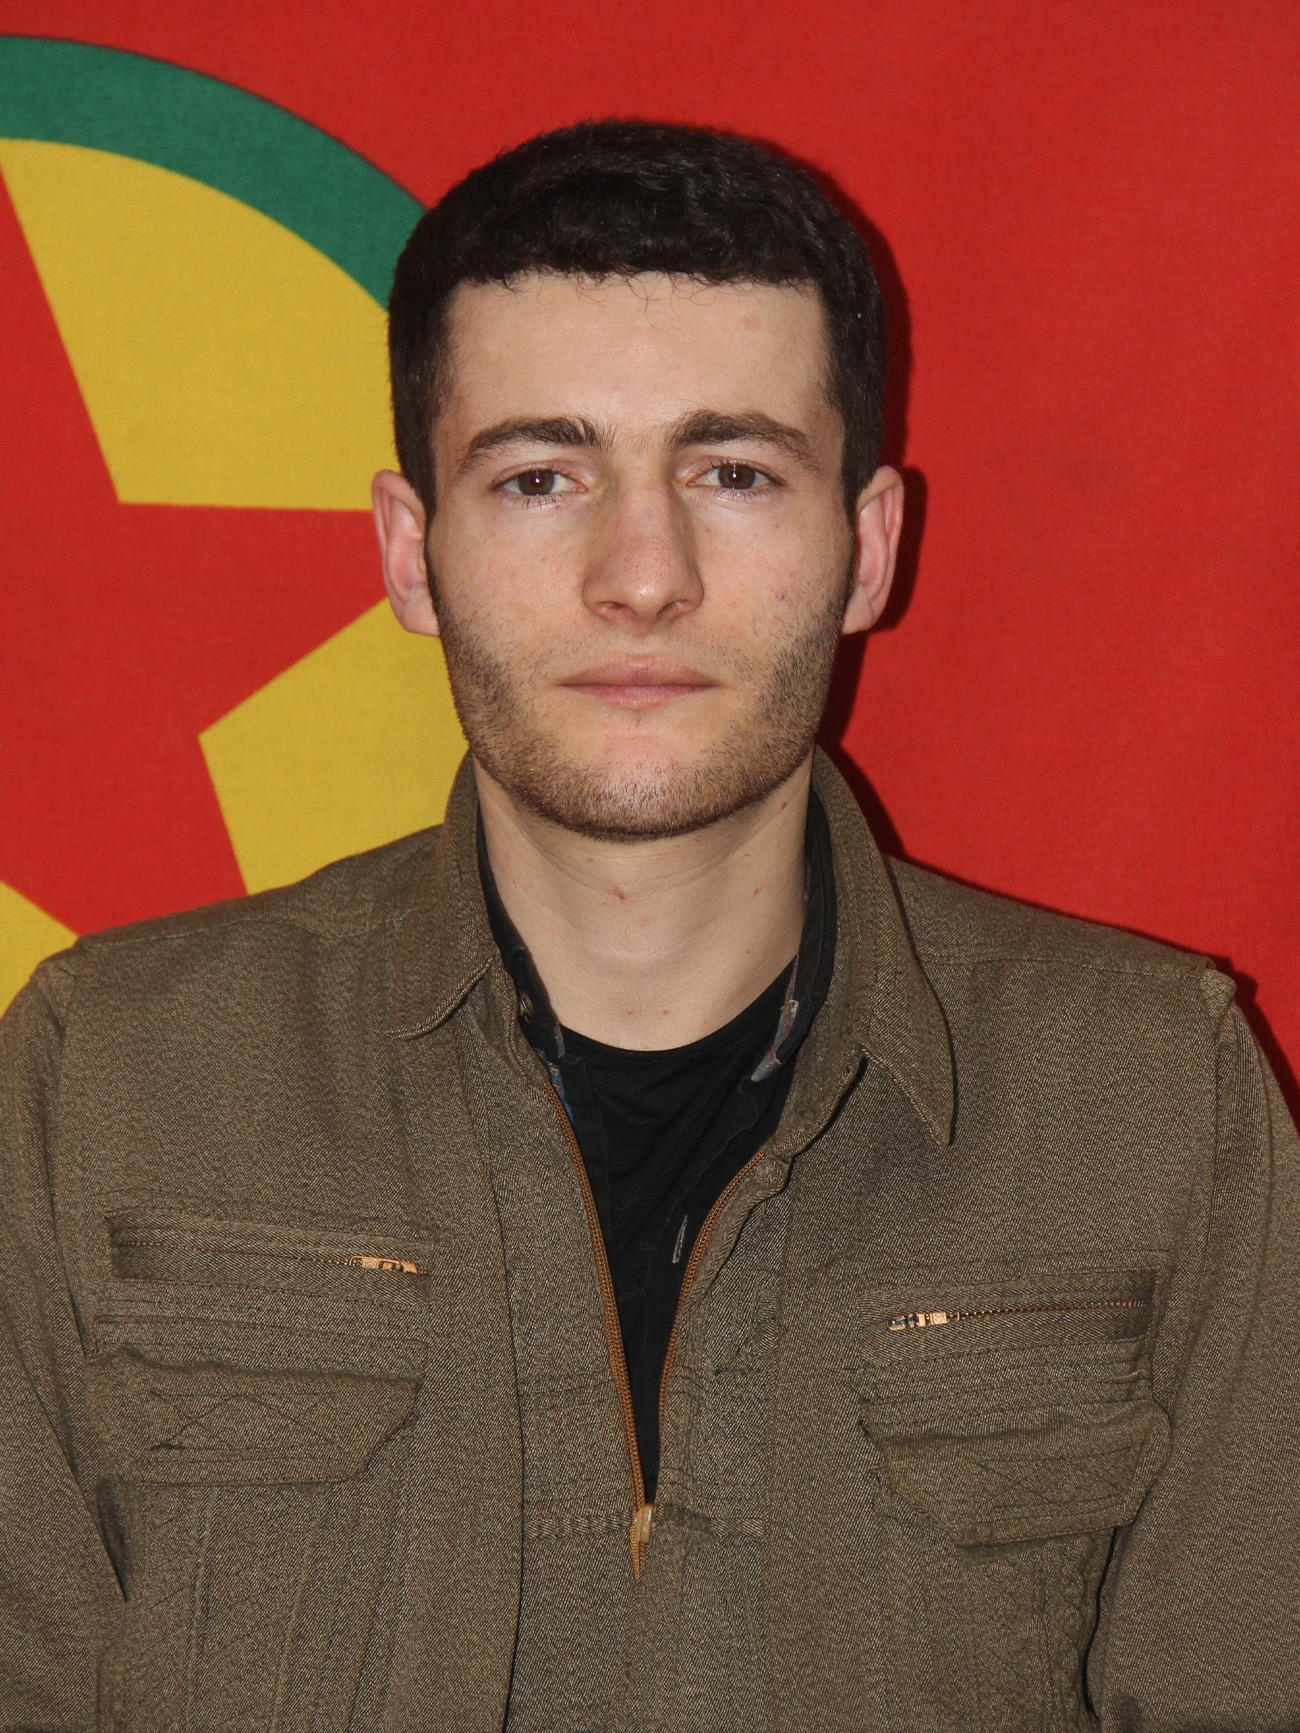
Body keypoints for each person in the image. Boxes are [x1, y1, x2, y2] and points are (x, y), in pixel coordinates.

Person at [1, 120, 1296, 1733]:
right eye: (541, 476)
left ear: (867, 547)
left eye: (732, 472)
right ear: (412, 552)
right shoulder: (104, 1085)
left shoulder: (1157, 1102)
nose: (641, 574)